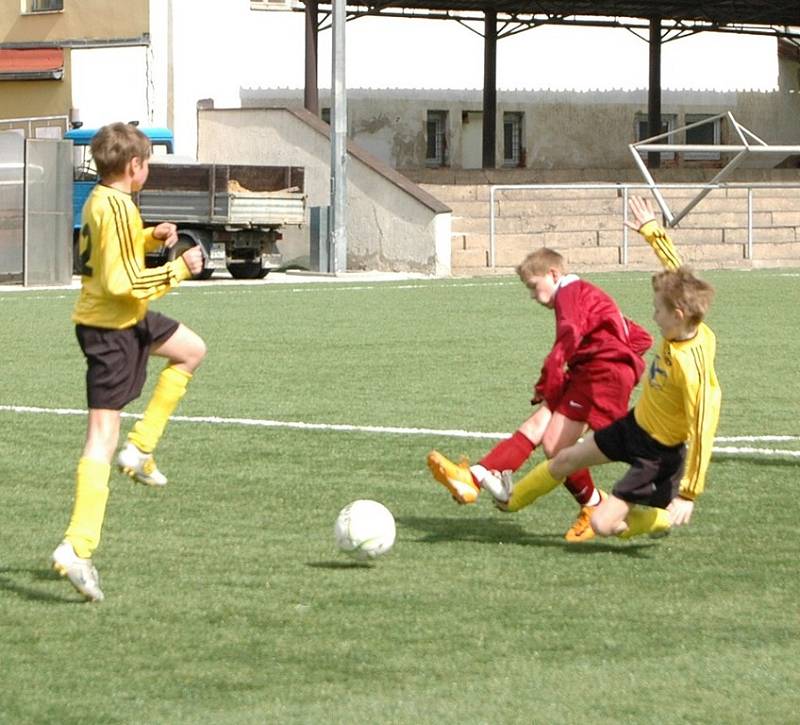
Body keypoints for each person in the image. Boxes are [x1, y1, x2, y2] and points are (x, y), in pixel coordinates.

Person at [500, 196, 721, 540]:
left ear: (677, 316)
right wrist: (652, 232)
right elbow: (680, 276)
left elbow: (704, 428)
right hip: (633, 426)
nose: (652, 317)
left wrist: (689, 493)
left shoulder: (693, 367)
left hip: (657, 454)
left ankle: (662, 519)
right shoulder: (682, 325)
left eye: (657, 311)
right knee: (563, 459)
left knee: (604, 525)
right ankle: (508, 502)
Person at [50, 122, 207, 602]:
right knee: (100, 436)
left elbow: (111, 250)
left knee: (191, 350)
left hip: (124, 320)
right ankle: (77, 545)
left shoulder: (104, 200)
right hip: (110, 329)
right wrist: (177, 267)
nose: (149, 170)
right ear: (134, 166)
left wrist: (147, 237)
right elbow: (121, 283)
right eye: (149, 163)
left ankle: (140, 451)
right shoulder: (114, 205)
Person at [427, 245, 653, 542]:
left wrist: (555, 370)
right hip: (588, 371)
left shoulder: (570, 292)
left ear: (554, 273)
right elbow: (641, 337)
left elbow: (570, 332)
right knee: (544, 433)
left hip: (601, 373)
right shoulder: (585, 294)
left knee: (582, 445)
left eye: (534, 287)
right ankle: (475, 477)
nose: (533, 296)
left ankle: (654, 487)